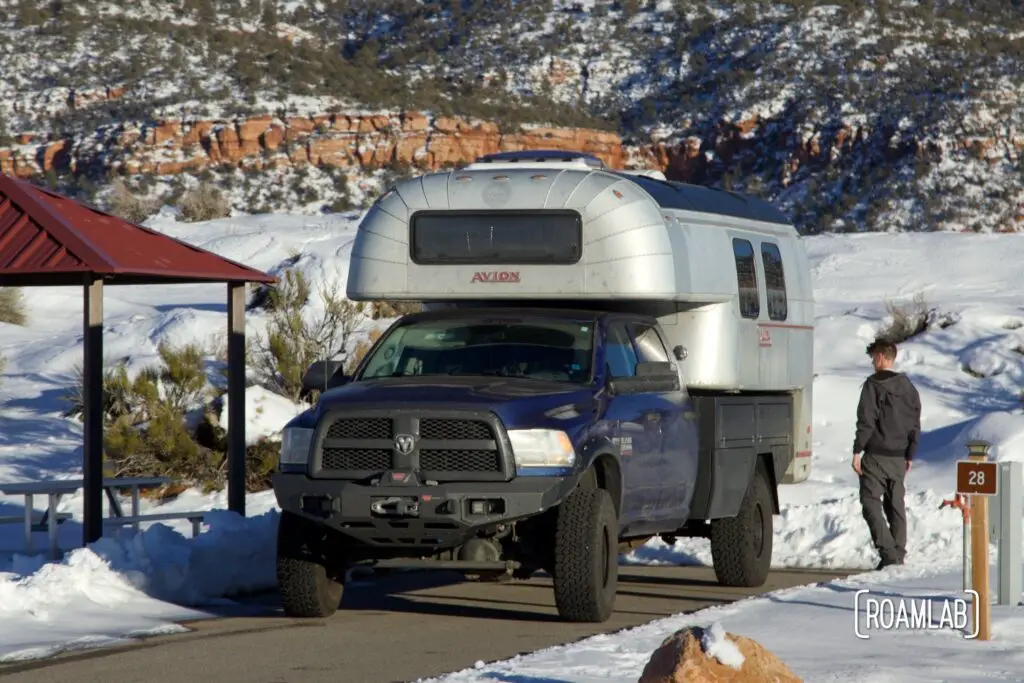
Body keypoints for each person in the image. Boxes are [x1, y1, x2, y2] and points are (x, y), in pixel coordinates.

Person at [851, 338, 921, 570]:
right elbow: (915, 423)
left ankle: (889, 554)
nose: (872, 362)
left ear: (881, 357)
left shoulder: (874, 385)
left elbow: (867, 421)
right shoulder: (909, 387)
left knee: (870, 501)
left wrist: (857, 450)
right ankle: (898, 553)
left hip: (876, 454)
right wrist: (910, 454)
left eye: (873, 357)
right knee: (895, 504)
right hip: (899, 456)